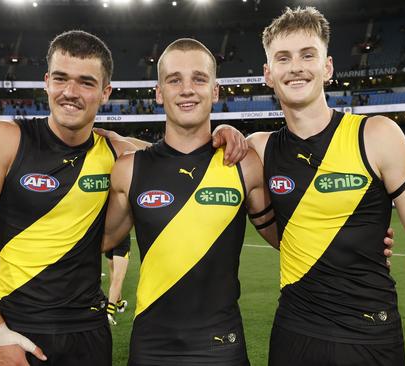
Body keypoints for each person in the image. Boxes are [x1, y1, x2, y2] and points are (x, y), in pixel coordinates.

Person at [0, 30, 248, 366]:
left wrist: (224, 132)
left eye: (86, 82)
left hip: (90, 334)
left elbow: (178, 154)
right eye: (61, 79)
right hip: (20, 328)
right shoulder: (3, 140)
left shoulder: (116, 154)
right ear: (46, 81)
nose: (70, 93)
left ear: (105, 91)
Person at [246, 7, 405, 365]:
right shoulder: (259, 149)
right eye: (283, 58)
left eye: (307, 55)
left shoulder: (377, 135)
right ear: (268, 73)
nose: (295, 66)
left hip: (372, 333)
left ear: (327, 68)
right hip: (295, 333)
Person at [102, 38, 279, 366]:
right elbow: (96, 243)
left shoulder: (244, 164)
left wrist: (364, 243)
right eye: (174, 80)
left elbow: (289, 239)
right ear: (159, 93)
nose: (187, 89)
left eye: (199, 79)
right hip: (150, 346)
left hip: (222, 346)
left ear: (214, 91)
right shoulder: (129, 170)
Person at [105, 234, 132, 326]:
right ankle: (109, 312)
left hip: (108, 237)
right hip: (121, 237)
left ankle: (120, 304)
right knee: (118, 277)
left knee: (113, 273)